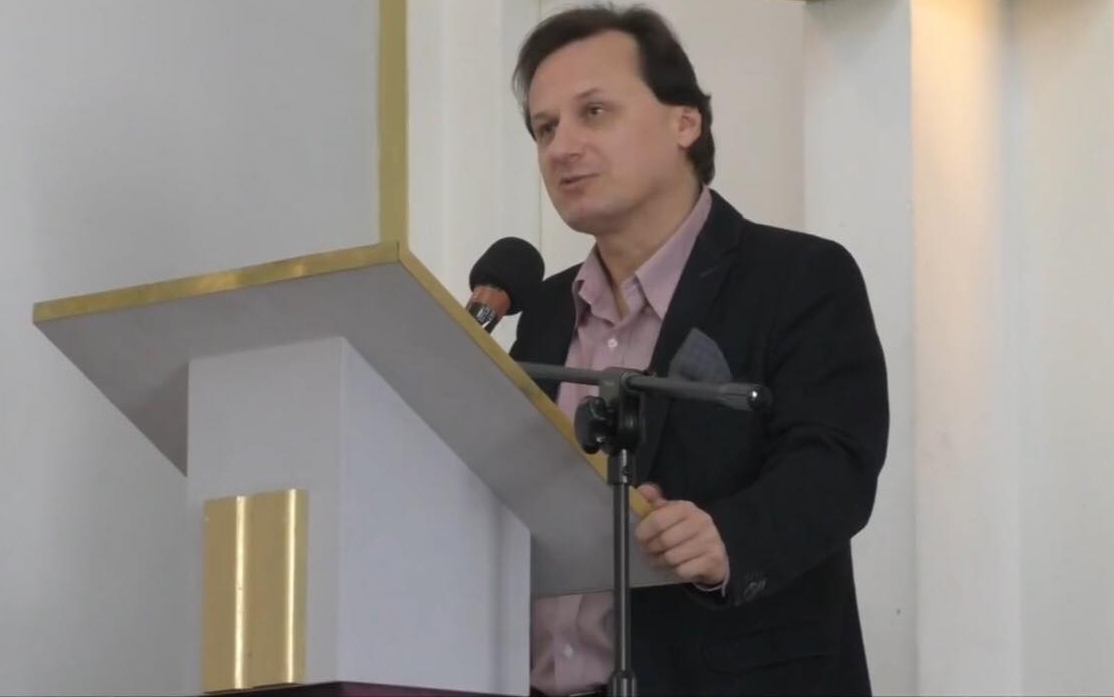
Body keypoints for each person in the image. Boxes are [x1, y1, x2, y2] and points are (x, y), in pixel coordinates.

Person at [507, 4, 889, 697]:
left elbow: (836, 464)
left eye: (594, 112)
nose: (561, 147)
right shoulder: (543, 311)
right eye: (545, 128)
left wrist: (726, 538)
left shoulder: (799, 277)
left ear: (685, 123)